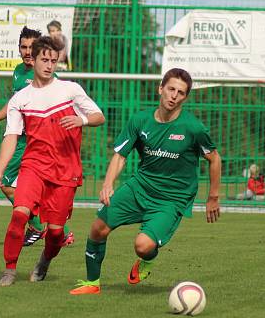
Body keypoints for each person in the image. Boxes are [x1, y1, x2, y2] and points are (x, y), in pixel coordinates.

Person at [70, 68, 222, 296]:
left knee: (143, 246)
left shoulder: (193, 128)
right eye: (171, 89)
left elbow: (214, 158)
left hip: (172, 199)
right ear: (160, 88)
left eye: (180, 93)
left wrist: (213, 197)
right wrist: (108, 183)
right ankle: (92, 283)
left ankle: (147, 260)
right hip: (140, 187)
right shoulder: (140, 120)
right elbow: (121, 155)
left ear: (185, 98)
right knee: (97, 228)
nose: (174, 95)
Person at [0, 35, 105, 286]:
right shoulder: (21, 98)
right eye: (45, 59)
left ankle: (45, 260)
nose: (49, 65)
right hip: (33, 165)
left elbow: (99, 116)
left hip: (66, 170)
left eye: (54, 60)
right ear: (35, 58)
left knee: (55, 232)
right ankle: (9, 269)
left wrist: (81, 120)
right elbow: (11, 135)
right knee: (20, 214)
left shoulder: (70, 90)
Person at [0, 26, 75, 248]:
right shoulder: (18, 71)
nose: (26, 51)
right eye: (23, 47)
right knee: (22, 188)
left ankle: (38, 226)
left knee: (6, 183)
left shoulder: (48, 76)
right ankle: (60, 231)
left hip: (35, 142)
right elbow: (15, 102)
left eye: (30, 47)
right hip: (22, 138)